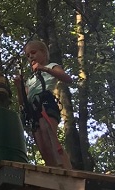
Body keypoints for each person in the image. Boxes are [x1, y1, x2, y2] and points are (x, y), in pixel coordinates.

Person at [15, 40, 73, 170]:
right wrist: (19, 87)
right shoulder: (30, 79)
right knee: (42, 145)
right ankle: (53, 171)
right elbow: (22, 102)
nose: (31, 57)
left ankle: (67, 170)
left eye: (33, 52)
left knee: (49, 137)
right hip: (33, 110)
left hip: (45, 104)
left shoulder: (51, 66)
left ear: (43, 53)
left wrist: (44, 68)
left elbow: (67, 78)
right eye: (28, 55)